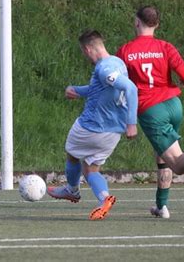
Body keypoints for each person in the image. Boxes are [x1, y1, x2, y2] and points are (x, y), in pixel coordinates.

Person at [47, 29, 138, 220]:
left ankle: (72, 189)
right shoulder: (117, 63)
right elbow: (100, 89)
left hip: (92, 126)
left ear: (88, 49)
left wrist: (132, 123)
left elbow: (130, 88)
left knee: (72, 155)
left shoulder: (103, 68)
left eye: (83, 52)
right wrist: (77, 91)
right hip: (113, 132)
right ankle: (104, 198)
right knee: (91, 169)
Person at [116, 5, 184, 218]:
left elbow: (118, 85)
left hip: (152, 111)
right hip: (173, 105)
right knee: (162, 155)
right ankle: (162, 206)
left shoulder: (125, 51)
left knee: (178, 164)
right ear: (157, 25)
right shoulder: (165, 47)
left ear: (136, 22)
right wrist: (182, 80)